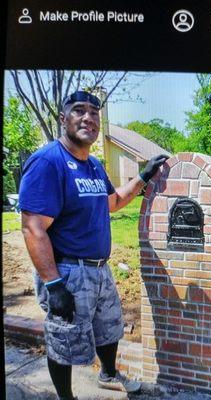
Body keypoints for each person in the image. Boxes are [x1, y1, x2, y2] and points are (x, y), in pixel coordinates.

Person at [19, 90, 169, 400]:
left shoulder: (95, 165)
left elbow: (113, 202)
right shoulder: (49, 162)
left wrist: (143, 176)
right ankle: (65, 397)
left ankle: (109, 374)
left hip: (100, 270)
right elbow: (33, 227)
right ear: (64, 119)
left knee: (110, 327)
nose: (88, 117)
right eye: (79, 111)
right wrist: (54, 284)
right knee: (64, 339)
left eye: (94, 112)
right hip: (69, 272)